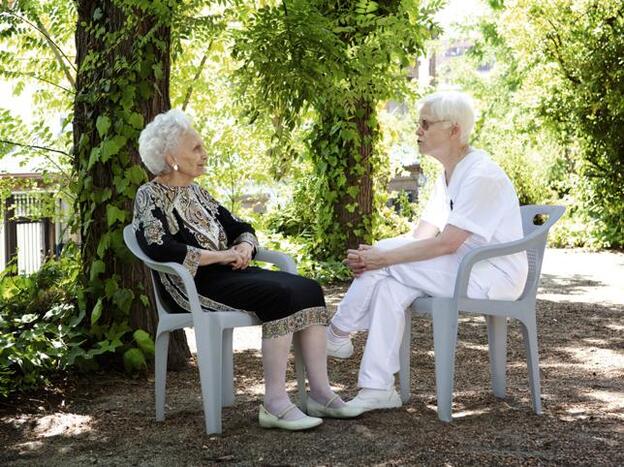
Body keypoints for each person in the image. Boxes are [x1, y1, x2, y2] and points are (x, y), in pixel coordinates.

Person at [132, 109, 363, 430]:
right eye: (196, 148)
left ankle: (321, 394)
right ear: (171, 157)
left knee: (308, 287)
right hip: (190, 286)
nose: (205, 153)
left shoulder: (197, 192)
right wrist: (222, 256)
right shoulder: (149, 195)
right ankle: (275, 403)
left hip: (228, 276)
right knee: (280, 295)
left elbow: (240, 225)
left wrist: (244, 247)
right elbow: (158, 247)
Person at [327, 91, 529, 412]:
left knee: (384, 262)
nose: (417, 131)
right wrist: (380, 254)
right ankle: (377, 388)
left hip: (491, 274)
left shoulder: (482, 174)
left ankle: (338, 331)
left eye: (425, 124)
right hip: (457, 266)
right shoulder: (447, 174)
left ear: (454, 130)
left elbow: (447, 243)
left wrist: (381, 257)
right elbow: (421, 235)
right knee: (391, 286)